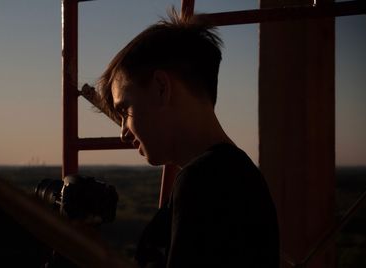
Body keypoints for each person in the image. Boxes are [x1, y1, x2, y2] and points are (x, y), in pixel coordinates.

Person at [96, 8, 280, 268]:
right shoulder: (241, 176)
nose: (124, 133)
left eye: (125, 110)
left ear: (161, 88)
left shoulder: (202, 183)